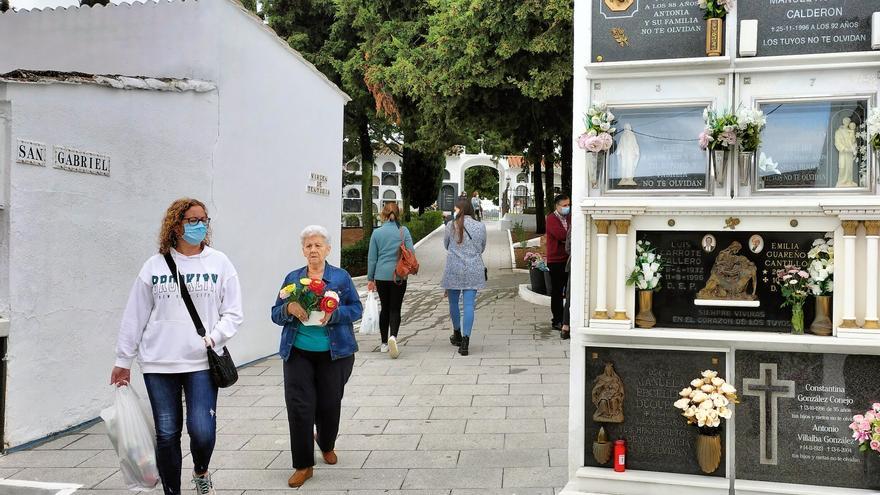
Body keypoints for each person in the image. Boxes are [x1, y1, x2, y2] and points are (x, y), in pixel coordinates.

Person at [111, 198, 243, 495]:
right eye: (193, 220)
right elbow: (135, 314)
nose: (200, 226)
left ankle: (200, 471)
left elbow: (234, 312)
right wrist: (123, 359)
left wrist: (215, 337)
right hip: (159, 363)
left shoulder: (219, 262)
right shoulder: (155, 265)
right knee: (167, 434)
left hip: (201, 363)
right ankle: (172, 491)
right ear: (176, 224)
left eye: (204, 220)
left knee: (202, 431)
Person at [271, 225, 362, 489]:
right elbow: (275, 313)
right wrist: (289, 307)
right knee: (300, 406)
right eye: (308, 246)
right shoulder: (292, 279)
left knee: (329, 404)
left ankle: (326, 442)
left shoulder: (341, 278)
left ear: (328, 249)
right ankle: (303, 465)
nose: (313, 249)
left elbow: (356, 309)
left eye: (318, 245)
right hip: (297, 352)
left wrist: (334, 315)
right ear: (303, 251)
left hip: (335, 354)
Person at [367, 203, 414, 358]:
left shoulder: (377, 233)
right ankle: (393, 336)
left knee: (385, 308)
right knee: (395, 308)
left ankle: (383, 344)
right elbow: (411, 252)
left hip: (381, 276)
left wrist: (370, 278)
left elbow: (372, 258)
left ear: (383, 214)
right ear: (398, 214)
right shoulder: (403, 231)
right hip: (399, 275)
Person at [442, 198, 487, 356]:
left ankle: (457, 334)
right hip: (473, 269)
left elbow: (446, 245)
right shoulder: (480, 226)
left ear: (459, 210)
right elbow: (482, 247)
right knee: (468, 305)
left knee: (453, 303)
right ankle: (466, 341)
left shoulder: (450, 226)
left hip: (454, 269)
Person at [545, 194, 571, 330]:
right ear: (557, 206)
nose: (567, 208)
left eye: (568, 205)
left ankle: (567, 318)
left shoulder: (570, 217)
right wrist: (568, 236)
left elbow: (570, 234)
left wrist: (567, 237)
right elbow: (561, 235)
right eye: (564, 205)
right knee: (557, 292)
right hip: (556, 260)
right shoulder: (551, 219)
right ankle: (557, 320)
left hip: (568, 258)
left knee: (569, 291)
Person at [560, 226, 572, 340]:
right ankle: (566, 324)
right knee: (570, 295)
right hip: (575, 264)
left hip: (574, 263)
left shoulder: (574, 226)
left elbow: (568, 248)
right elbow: (568, 248)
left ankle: (566, 326)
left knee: (570, 295)